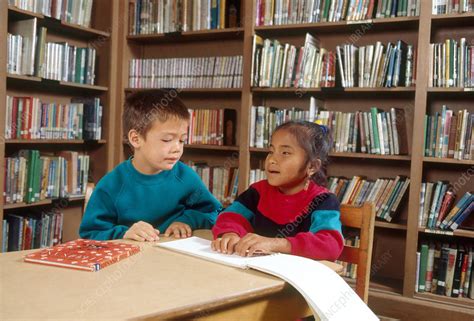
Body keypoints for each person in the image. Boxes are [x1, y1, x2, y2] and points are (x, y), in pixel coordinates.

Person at [79, 90, 222, 241]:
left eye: (182, 140)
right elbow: (90, 234)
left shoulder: (186, 177)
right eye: (167, 140)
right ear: (136, 139)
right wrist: (124, 233)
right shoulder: (112, 185)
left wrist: (186, 221)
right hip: (131, 261)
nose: (177, 148)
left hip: (173, 259)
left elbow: (215, 212)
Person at [211, 120, 343, 260]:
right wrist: (230, 234)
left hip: (297, 277)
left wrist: (276, 244)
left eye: (285, 152)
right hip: (255, 272)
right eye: (271, 151)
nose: (272, 160)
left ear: (312, 167)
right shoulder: (258, 191)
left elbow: (330, 245)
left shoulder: (323, 200)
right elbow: (230, 216)